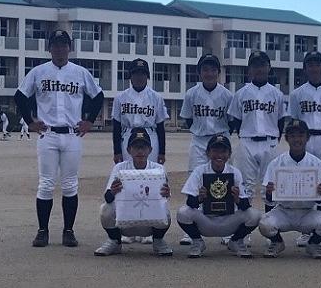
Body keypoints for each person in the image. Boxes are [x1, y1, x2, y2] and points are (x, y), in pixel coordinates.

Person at [14, 30, 104, 248]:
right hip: (48, 134)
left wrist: (90, 121)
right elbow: (20, 95)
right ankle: (42, 231)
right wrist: (30, 121)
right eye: (56, 45)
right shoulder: (39, 71)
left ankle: (68, 231)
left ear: (69, 48)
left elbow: (98, 95)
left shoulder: (80, 72)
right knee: (45, 184)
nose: (60, 49)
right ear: (49, 48)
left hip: (72, 134)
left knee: (70, 185)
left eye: (64, 45)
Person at [111, 58, 169, 245]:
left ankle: (149, 228)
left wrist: (162, 151)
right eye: (135, 73)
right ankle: (127, 226)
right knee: (127, 179)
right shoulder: (120, 97)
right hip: (128, 135)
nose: (139, 77)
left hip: (150, 135)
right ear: (130, 76)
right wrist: (116, 150)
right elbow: (116, 126)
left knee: (150, 180)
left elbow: (161, 126)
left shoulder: (156, 97)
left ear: (147, 76)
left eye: (142, 73)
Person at [179, 54, 233, 246]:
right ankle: (191, 228)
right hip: (200, 140)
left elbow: (232, 121)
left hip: (221, 140)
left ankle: (227, 228)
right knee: (194, 181)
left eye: (213, 69)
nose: (209, 73)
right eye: (205, 69)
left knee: (225, 180)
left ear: (218, 72)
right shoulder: (191, 93)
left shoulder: (227, 95)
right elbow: (188, 119)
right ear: (199, 72)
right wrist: (199, 130)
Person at [177, 134, 261, 258]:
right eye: (215, 151)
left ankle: (236, 241)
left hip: (229, 221)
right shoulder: (199, 171)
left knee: (255, 215)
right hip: (206, 221)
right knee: (183, 212)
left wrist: (237, 199)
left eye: (223, 151)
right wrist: (199, 198)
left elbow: (245, 205)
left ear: (229, 154)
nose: (219, 155)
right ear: (208, 153)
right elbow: (190, 202)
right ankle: (197, 242)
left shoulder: (235, 172)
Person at [288, 51, 321, 248]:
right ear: (305, 68)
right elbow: (294, 120)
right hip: (305, 138)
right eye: (310, 64)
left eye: (318, 64)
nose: (314, 68)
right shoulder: (297, 93)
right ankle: (305, 231)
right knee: (304, 182)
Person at [260, 119, 321, 259]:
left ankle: (313, 244)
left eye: (300, 135)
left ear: (307, 137)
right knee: (265, 223)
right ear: (287, 138)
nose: (297, 139)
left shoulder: (316, 163)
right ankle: (277, 242)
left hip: (307, 212)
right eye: (292, 136)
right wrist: (269, 193)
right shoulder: (276, 163)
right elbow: (268, 200)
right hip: (283, 211)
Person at [94, 128, 173, 256]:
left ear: (150, 150)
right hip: (125, 223)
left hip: (149, 224)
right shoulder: (119, 168)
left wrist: (166, 193)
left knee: (166, 210)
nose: (140, 151)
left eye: (143, 147)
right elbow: (108, 197)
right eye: (136, 147)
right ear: (128, 150)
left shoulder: (159, 169)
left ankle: (158, 241)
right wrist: (113, 191)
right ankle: (115, 241)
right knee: (106, 209)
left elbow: (164, 198)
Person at [228, 50, 287, 207]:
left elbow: (281, 121)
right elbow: (236, 121)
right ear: (249, 70)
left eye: (262, 65)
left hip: (270, 141)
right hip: (247, 141)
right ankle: (244, 221)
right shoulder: (240, 94)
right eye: (255, 66)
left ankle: (271, 222)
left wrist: (274, 139)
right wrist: (244, 137)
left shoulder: (277, 94)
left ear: (269, 67)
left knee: (271, 187)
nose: (259, 69)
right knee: (244, 186)